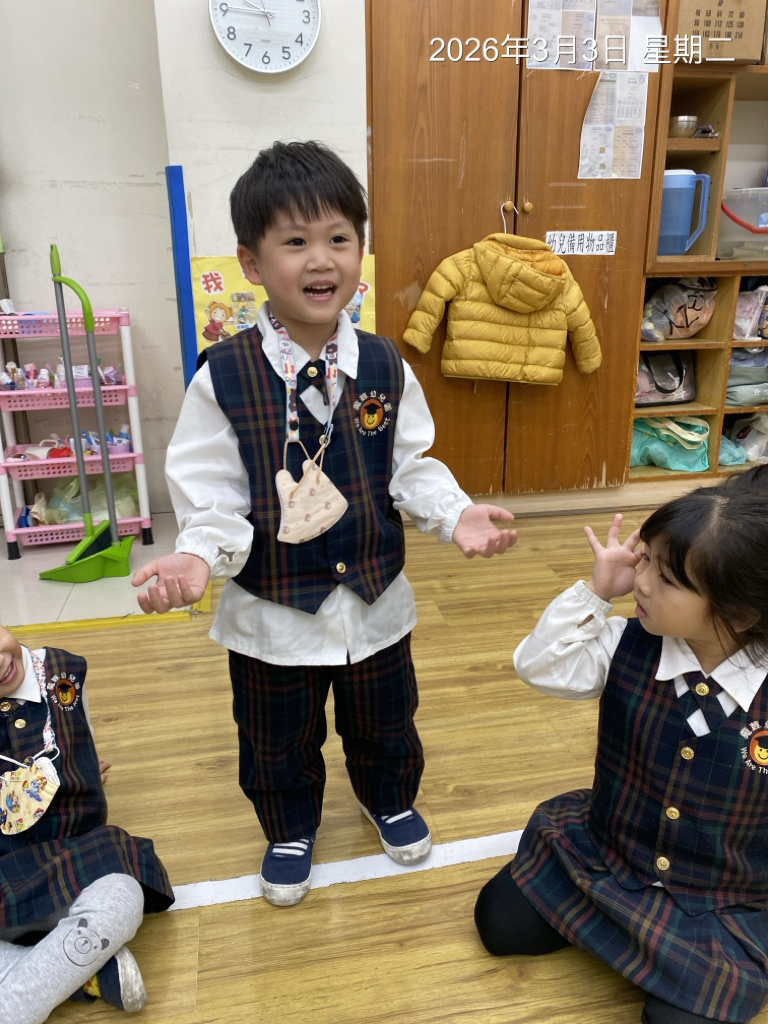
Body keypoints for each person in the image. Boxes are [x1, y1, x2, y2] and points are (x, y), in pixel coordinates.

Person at [132, 139, 517, 907]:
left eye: (340, 237)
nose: (322, 259)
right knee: (275, 736)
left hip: (376, 601)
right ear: (251, 262)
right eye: (296, 241)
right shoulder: (223, 375)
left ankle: (389, 798)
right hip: (273, 616)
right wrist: (199, 556)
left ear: (360, 251)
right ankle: (288, 826)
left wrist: (455, 511)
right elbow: (212, 493)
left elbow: (410, 464)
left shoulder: (384, 363)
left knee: (386, 718)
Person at [475, 490, 768, 1024]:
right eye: (645, 559)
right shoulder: (627, 643)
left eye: (668, 579)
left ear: (740, 611)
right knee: (500, 923)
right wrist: (595, 593)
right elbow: (540, 666)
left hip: (724, 893)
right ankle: (643, 945)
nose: (642, 582)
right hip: (609, 854)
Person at [0, 623, 174, 1023]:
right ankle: (84, 973)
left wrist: (84, 767)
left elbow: (79, 731)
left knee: (122, 893)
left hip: (72, 856)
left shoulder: (63, 671)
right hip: (5, 871)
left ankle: (18, 1002)